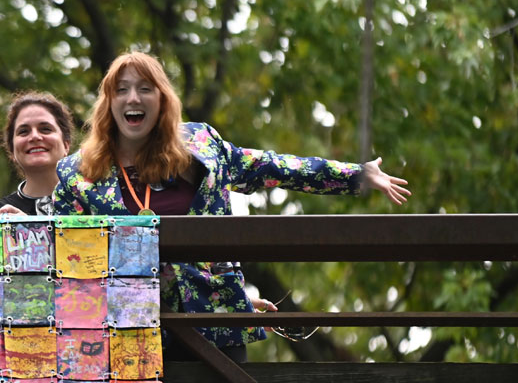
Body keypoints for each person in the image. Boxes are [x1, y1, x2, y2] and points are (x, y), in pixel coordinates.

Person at [53, 52, 411, 361]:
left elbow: (274, 167)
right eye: (122, 89)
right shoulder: (76, 173)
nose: (134, 97)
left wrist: (355, 175)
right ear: (109, 102)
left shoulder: (203, 146)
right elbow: (64, 262)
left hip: (214, 322)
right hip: (124, 332)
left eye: (145, 88)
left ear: (162, 100)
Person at [0, 92, 74, 216]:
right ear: (12, 150)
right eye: (24, 131)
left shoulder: (91, 205)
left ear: (66, 145)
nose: (34, 136)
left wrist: (28, 228)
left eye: (45, 129)